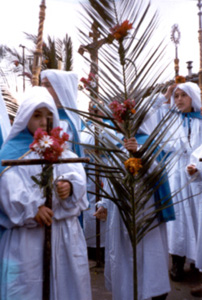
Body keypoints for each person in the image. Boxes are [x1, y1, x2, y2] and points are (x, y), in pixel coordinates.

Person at [0, 86, 92, 300]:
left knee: (66, 287)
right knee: (29, 288)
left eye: (49, 115)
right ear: (25, 117)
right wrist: (32, 208)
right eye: (37, 115)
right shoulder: (12, 153)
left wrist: (69, 186)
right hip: (28, 237)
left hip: (64, 235)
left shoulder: (64, 150)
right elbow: (7, 185)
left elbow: (77, 176)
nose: (43, 122)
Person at [94, 114, 175, 300]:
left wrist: (139, 154)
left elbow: (158, 174)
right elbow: (111, 181)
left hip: (146, 213)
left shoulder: (148, 143)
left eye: (127, 118)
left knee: (149, 258)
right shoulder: (119, 144)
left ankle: (153, 293)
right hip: (120, 214)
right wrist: (104, 204)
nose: (123, 123)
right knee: (124, 260)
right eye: (120, 119)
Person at [151, 81, 202, 281]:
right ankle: (177, 261)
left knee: (197, 216)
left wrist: (197, 165)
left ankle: (197, 263)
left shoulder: (200, 121)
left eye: (183, 95)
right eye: (177, 96)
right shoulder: (170, 118)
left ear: (193, 98)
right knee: (178, 216)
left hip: (196, 175)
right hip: (175, 172)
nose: (179, 99)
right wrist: (167, 94)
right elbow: (153, 114)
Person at [40, 69, 83, 157]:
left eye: (47, 85)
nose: (42, 89)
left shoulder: (65, 122)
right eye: (42, 85)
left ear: (60, 89)